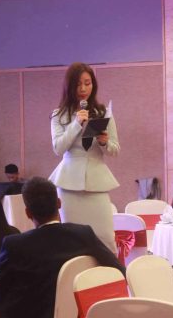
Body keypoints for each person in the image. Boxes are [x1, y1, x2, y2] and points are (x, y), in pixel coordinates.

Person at [0, 177, 124, 318]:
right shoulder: (83, 234)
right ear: (59, 203)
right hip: (80, 312)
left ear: (27, 213)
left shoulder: (14, 245)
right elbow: (119, 269)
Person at [48, 62, 120, 253]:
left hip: (97, 180)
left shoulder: (103, 112)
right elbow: (58, 148)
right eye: (78, 84)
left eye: (87, 83)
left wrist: (104, 142)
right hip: (69, 183)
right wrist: (76, 124)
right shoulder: (59, 115)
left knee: (105, 237)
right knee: (73, 240)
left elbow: (115, 150)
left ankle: (110, 271)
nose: (83, 89)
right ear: (69, 86)